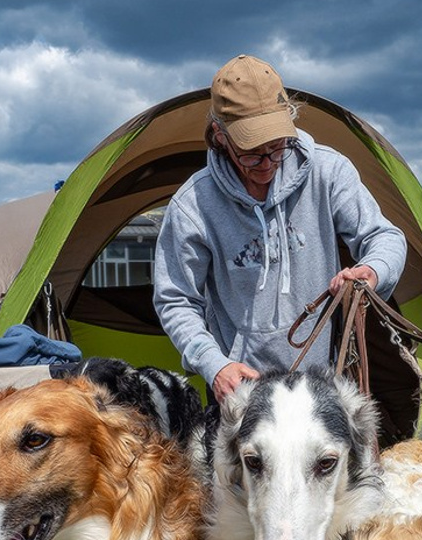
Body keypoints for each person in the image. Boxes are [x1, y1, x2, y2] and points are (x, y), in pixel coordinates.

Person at [153, 54, 408, 400]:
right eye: (252, 153)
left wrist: (372, 271)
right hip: (243, 391)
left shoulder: (329, 171)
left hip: (322, 384)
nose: (267, 164)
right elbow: (176, 299)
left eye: (277, 148)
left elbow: (386, 238)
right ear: (220, 135)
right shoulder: (193, 205)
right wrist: (214, 365)